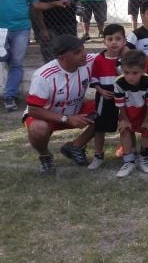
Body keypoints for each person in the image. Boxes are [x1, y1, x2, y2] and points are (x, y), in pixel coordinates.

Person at [1, 0, 70, 111]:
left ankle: (10, 96)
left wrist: (54, 4)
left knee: (16, 63)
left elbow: (37, 5)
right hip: (0, 29)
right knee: (2, 61)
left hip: (21, 28)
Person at [23, 35, 98, 173]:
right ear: (62, 57)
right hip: (47, 117)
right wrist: (66, 119)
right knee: (38, 128)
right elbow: (33, 109)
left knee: (107, 109)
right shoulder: (44, 76)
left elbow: (114, 53)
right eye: (77, 53)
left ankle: (75, 146)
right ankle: (45, 156)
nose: (84, 55)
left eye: (83, 49)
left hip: (75, 111)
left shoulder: (89, 61)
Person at [87, 24, 127, 171]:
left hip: (123, 96)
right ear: (104, 41)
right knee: (100, 126)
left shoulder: (126, 59)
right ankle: (98, 155)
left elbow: (129, 77)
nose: (114, 42)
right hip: (105, 96)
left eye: (118, 39)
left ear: (124, 41)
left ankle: (127, 153)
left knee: (125, 125)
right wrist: (101, 90)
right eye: (110, 39)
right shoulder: (98, 59)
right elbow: (94, 77)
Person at [113, 50, 148, 177]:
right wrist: (124, 119)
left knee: (146, 130)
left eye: (135, 73)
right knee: (124, 129)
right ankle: (129, 160)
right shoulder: (118, 82)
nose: (130, 77)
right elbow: (120, 104)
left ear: (143, 70)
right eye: (126, 72)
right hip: (128, 111)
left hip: (145, 111)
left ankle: (144, 157)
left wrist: (147, 120)